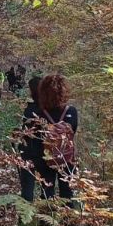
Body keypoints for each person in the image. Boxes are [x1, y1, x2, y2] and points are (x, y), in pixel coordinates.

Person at [35, 73, 78, 203]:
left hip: (45, 157)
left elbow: (36, 137)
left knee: (46, 191)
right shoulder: (71, 111)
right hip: (67, 158)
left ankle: (47, 221)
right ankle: (68, 221)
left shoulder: (39, 113)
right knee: (67, 192)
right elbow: (73, 132)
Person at [17, 75, 43, 203]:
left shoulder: (30, 109)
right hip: (46, 153)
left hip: (29, 152)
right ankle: (46, 219)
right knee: (47, 188)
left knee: (27, 186)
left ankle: (25, 219)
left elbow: (25, 132)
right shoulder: (48, 108)